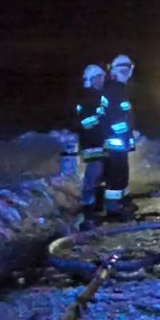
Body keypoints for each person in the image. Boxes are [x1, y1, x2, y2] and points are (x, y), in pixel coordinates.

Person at [99, 54, 140, 220]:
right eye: (122, 70)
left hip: (120, 139)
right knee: (115, 173)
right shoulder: (111, 89)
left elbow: (125, 116)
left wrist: (128, 136)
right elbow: (109, 116)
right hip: (113, 139)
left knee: (122, 171)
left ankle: (123, 201)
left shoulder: (120, 89)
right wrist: (116, 132)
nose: (125, 74)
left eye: (127, 70)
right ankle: (113, 207)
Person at [73, 64, 111, 227]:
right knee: (92, 175)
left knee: (100, 175)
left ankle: (96, 206)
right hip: (91, 143)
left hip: (99, 141)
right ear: (91, 79)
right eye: (98, 78)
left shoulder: (99, 96)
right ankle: (87, 207)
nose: (101, 80)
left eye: (102, 77)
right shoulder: (87, 98)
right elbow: (84, 122)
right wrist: (100, 117)